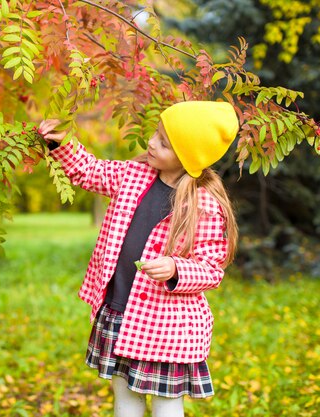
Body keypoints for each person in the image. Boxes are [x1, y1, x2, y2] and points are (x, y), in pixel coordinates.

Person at [38, 101, 240, 417]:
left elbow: (211, 269)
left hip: (165, 326)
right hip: (119, 311)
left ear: (187, 157)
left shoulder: (204, 205)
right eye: (156, 134)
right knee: (125, 397)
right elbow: (90, 171)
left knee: (165, 406)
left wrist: (176, 268)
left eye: (163, 142)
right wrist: (62, 142)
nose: (150, 142)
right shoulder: (134, 174)